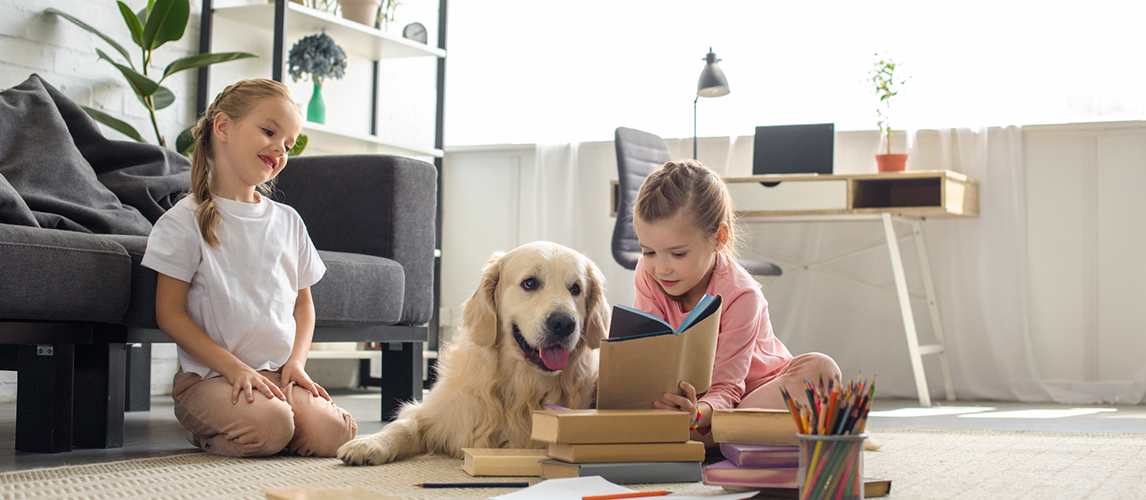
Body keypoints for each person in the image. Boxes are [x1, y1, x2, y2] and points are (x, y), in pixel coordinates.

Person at [142, 79, 357, 457]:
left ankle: (277, 423)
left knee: (333, 433)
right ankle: (223, 429)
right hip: (211, 380)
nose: (280, 148)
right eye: (269, 131)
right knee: (271, 426)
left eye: (289, 144)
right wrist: (236, 370)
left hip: (278, 376)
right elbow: (169, 313)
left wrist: (296, 363)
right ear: (223, 127)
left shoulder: (289, 222)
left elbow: (303, 306)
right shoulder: (183, 221)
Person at [631, 159, 840, 443]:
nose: (661, 268)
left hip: (752, 395)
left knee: (821, 370)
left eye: (678, 254)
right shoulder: (647, 274)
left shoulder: (741, 294)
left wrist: (698, 414)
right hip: (693, 404)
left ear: (719, 238)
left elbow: (727, 389)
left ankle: (716, 436)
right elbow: (650, 359)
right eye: (649, 251)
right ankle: (726, 437)